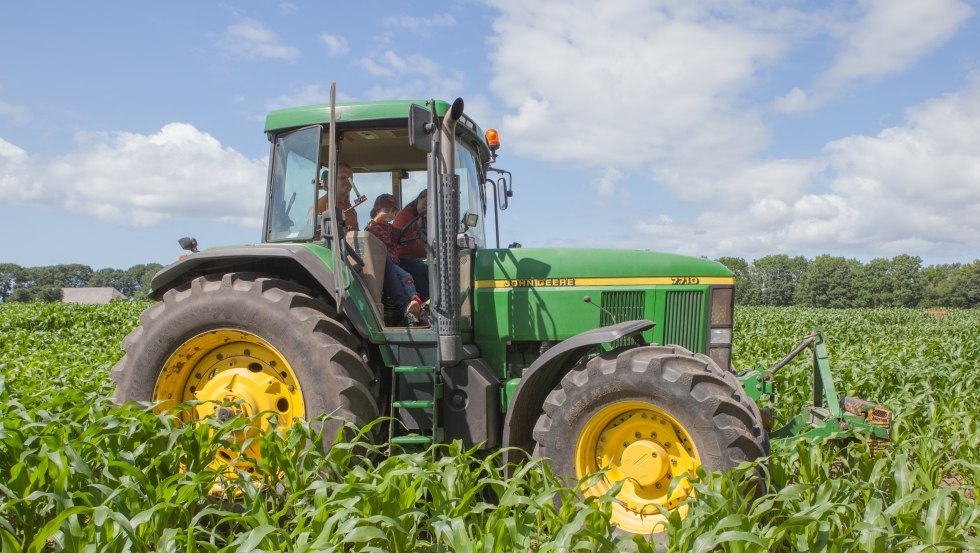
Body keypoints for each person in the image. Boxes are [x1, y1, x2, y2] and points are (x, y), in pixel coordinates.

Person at [366, 195, 427, 319]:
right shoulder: (372, 227)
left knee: (416, 267)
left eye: (393, 211)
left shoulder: (390, 228)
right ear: (377, 210)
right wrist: (376, 220)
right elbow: (367, 234)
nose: (390, 214)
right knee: (406, 276)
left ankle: (417, 303)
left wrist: (418, 226)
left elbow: (402, 234)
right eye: (386, 211)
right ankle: (410, 301)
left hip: (394, 261)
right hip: (381, 264)